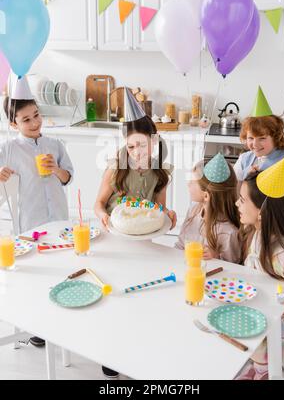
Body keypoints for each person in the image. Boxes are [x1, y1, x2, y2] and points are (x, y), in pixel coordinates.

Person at [94, 89, 176, 378]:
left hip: (144, 239)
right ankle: (111, 352)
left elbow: (161, 211)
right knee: (116, 294)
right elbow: (99, 203)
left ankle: (139, 350)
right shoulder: (117, 165)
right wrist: (103, 215)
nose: (137, 153)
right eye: (131, 147)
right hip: (116, 238)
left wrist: (170, 216)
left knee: (141, 295)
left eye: (142, 146)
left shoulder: (162, 169)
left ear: (154, 141)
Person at [0, 94, 74, 348]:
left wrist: (56, 169)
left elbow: (67, 178)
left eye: (36, 115)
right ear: (14, 124)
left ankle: (61, 316)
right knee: (35, 273)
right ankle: (37, 325)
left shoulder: (55, 144)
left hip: (59, 218)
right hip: (31, 220)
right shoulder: (8, 149)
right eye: (26, 120)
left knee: (61, 266)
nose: (34, 123)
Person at [235, 161, 284, 380]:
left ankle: (265, 372)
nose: (237, 203)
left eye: (242, 200)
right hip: (267, 317)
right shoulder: (258, 234)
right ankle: (260, 368)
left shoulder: (282, 251)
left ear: (262, 212)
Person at [234, 86, 284, 205]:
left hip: (275, 222)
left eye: (262, 138)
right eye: (250, 138)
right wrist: (246, 177)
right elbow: (235, 197)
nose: (255, 144)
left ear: (276, 137)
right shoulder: (245, 159)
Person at [176, 153, 241, 263]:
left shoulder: (229, 232)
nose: (188, 184)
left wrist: (216, 256)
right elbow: (180, 244)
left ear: (206, 196)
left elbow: (233, 266)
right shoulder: (193, 211)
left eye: (192, 182)